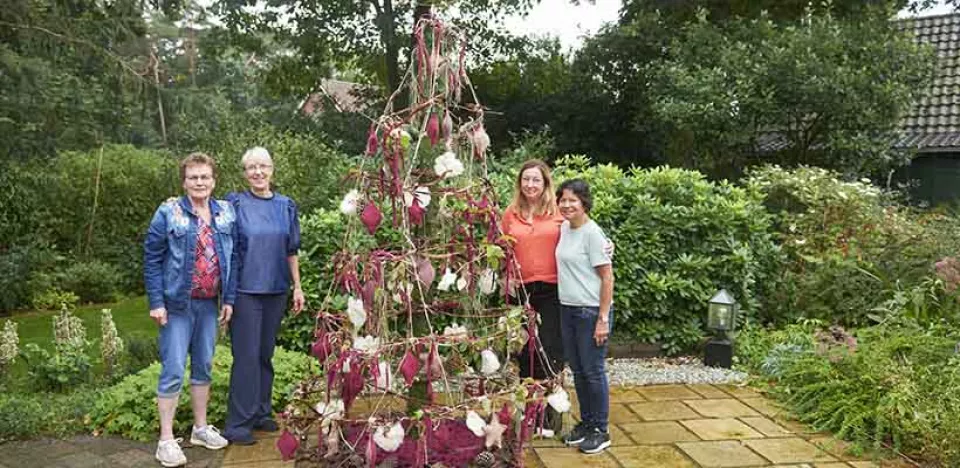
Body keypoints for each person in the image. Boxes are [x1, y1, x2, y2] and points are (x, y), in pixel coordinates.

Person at [144, 153, 235, 467]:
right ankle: (166, 440)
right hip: (176, 306)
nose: (200, 182)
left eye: (205, 177)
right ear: (184, 182)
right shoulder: (168, 212)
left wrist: (229, 299)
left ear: (214, 180)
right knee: (172, 369)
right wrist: (156, 303)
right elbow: (152, 259)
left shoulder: (226, 213)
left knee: (204, 366)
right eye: (193, 177)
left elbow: (231, 260)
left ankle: (199, 429)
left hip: (210, 304)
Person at [223, 147, 305, 445]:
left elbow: (291, 250)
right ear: (244, 173)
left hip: (277, 289)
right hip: (245, 290)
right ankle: (237, 425)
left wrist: (297, 286)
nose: (258, 172)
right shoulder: (234, 203)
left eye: (263, 166)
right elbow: (207, 217)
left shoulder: (286, 205)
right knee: (245, 357)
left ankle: (261, 413)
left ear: (272, 169)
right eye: (251, 167)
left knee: (264, 355)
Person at [500, 159, 566, 437]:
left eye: (536, 180)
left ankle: (550, 419)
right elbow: (500, 249)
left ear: (545, 183)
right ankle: (530, 416)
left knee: (550, 351)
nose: (530, 185)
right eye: (526, 179)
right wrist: (506, 276)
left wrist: (606, 246)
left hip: (552, 290)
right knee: (525, 352)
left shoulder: (558, 213)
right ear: (519, 183)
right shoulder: (510, 214)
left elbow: (584, 234)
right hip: (521, 291)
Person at [555, 179, 614, 455]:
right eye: (563, 200)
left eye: (572, 200)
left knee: (593, 371)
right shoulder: (565, 228)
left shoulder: (592, 233)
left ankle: (601, 430)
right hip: (567, 309)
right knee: (578, 371)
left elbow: (607, 277)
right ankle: (587, 424)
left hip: (590, 312)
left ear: (584, 203)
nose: (567, 205)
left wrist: (603, 318)